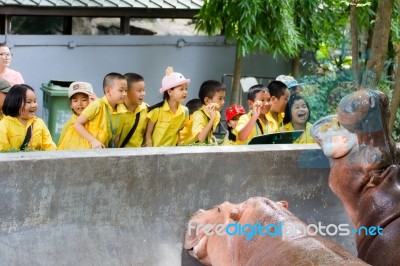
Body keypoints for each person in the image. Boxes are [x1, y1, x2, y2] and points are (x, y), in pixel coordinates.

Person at [75, 72, 127, 149]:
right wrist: (93, 141)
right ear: (108, 91)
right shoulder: (97, 105)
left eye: (126, 90)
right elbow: (77, 124)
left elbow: (116, 136)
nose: (124, 94)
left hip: (105, 152)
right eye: (121, 90)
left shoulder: (122, 111)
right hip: (88, 149)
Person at [0, 84, 56, 151]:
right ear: (15, 103)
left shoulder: (39, 123)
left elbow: (50, 148)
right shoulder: (4, 126)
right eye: (28, 102)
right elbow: (3, 153)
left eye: (35, 101)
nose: (33, 105)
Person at [145, 67, 190, 147]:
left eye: (186, 89)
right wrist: (150, 152)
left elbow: (179, 133)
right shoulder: (156, 111)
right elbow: (148, 133)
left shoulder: (185, 111)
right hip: (155, 153)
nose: (185, 92)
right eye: (181, 89)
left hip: (172, 154)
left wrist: (179, 149)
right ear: (169, 91)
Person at [57, 81, 96, 150]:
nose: (80, 104)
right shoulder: (68, 126)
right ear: (71, 104)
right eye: (75, 101)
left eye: (84, 100)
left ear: (91, 100)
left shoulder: (97, 119)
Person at [191, 80, 226, 145]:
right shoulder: (198, 115)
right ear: (207, 101)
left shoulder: (217, 114)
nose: (223, 102)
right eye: (220, 98)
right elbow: (201, 138)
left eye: (224, 98)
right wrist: (212, 118)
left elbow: (208, 135)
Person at [119, 73, 148, 148]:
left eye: (143, 90)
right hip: (118, 156)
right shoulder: (116, 110)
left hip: (139, 156)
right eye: (139, 91)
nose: (143, 94)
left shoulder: (146, 109)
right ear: (126, 91)